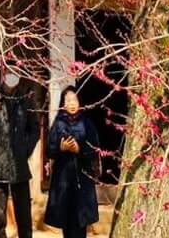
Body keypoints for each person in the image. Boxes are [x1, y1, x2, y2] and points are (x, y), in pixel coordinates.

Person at [0, 68, 40, 238]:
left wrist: (26, 149)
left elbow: (34, 129)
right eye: (8, 74)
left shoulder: (25, 100)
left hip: (19, 163)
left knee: (24, 215)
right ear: (3, 76)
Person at [44, 86, 99, 238]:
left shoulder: (87, 123)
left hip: (82, 181)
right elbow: (49, 149)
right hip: (63, 182)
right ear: (63, 103)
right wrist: (60, 148)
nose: (72, 103)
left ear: (79, 102)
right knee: (66, 224)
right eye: (68, 100)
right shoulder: (58, 123)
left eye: (74, 99)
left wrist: (78, 150)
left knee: (79, 223)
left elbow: (95, 150)